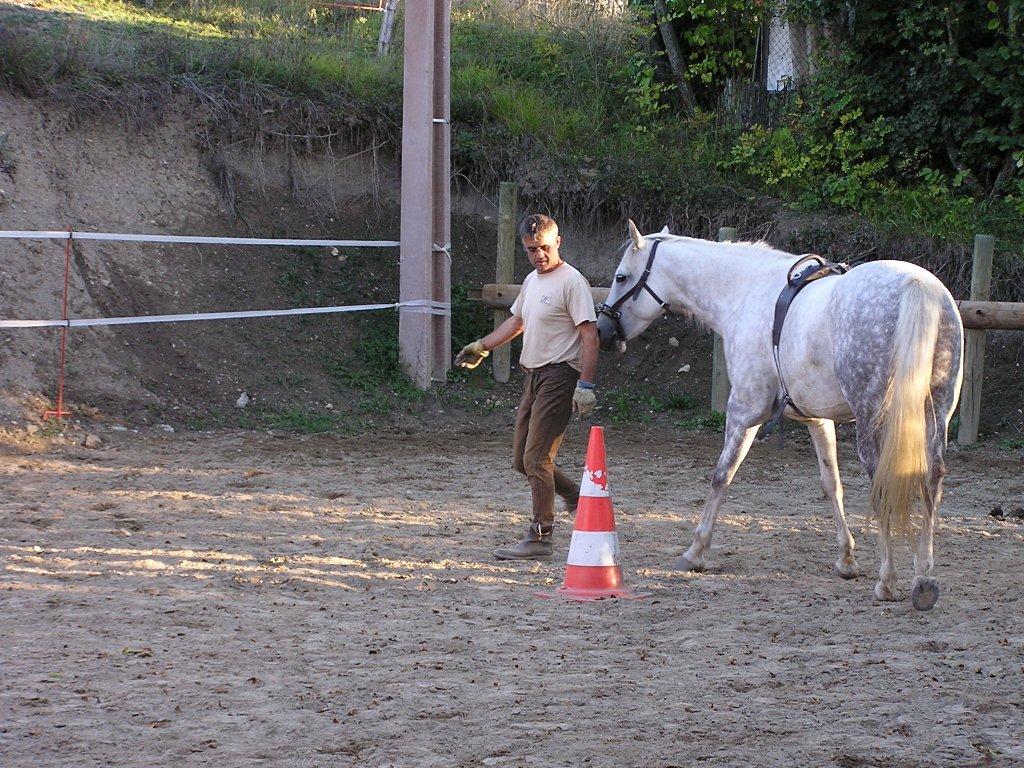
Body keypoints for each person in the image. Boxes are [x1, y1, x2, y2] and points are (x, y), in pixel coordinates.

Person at [455, 214, 598, 560]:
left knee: (536, 458)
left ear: (558, 242)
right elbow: (517, 322)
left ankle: (540, 537)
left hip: (560, 376)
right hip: (533, 377)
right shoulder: (533, 281)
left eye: (545, 248)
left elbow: (589, 334)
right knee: (523, 460)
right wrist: (483, 345)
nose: (539, 255)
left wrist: (586, 385)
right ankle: (574, 495)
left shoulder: (572, 282)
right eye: (532, 249)